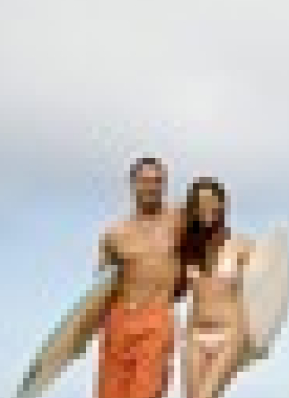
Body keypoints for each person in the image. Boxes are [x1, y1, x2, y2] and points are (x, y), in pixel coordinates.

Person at [96, 157, 184, 398]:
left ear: (164, 185)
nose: (150, 187)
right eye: (144, 181)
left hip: (156, 316)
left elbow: (214, 237)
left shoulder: (180, 221)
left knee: (147, 391)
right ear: (132, 184)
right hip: (117, 320)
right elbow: (99, 287)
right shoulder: (113, 234)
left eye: (157, 181)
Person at [180, 177, 255, 398]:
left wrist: (258, 338)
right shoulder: (189, 248)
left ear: (223, 204)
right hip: (194, 337)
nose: (207, 208)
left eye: (212, 202)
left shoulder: (242, 245)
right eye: (200, 204)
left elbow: (266, 285)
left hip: (229, 335)